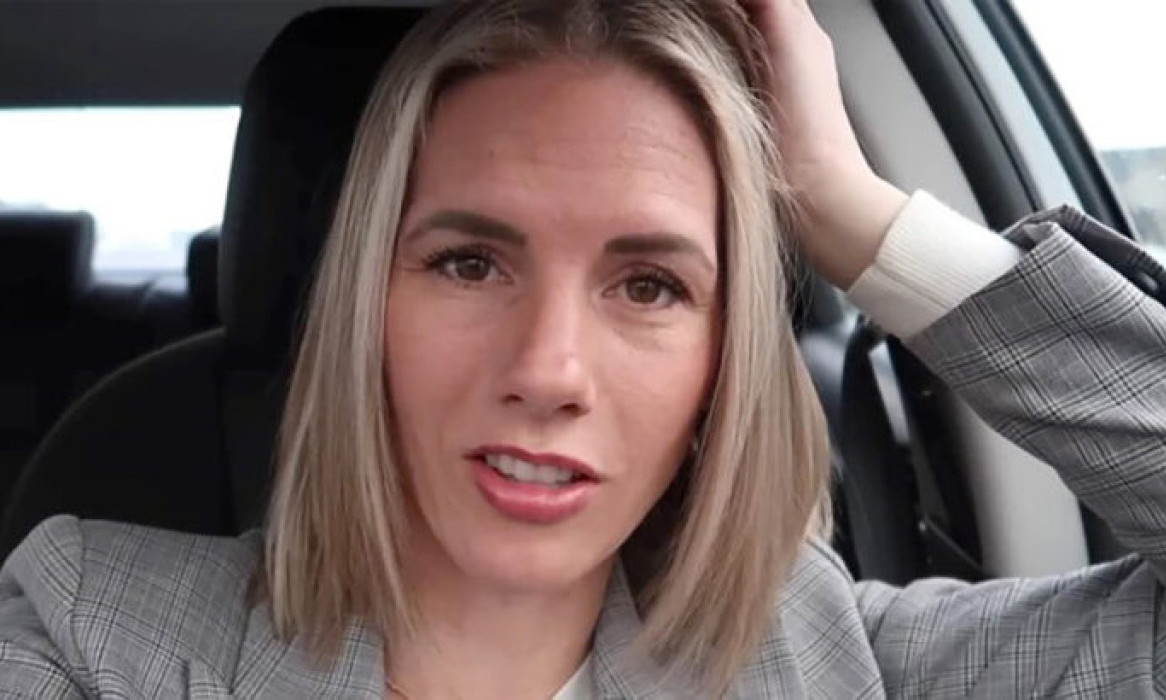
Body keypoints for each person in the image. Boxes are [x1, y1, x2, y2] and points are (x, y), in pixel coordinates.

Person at [2, 0, 1164, 697]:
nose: (546, 371)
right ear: (367, 304)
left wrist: (842, 205)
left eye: (649, 285)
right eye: (470, 262)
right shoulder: (90, 631)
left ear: (720, 366)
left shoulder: (856, 668)